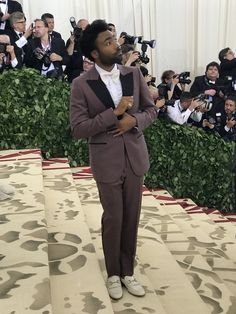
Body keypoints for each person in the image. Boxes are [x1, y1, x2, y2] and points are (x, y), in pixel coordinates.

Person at [70, 19, 158, 300]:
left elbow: (150, 111)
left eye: (114, 39)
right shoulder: (81, 85)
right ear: (94, 54)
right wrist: (114, 113)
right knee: (114, 217)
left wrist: (134, 120)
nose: (115, 44)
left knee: (131, 217)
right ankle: (112, 274)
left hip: (134, 157)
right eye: (108, 42)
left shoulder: (133, 73)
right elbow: (78, 128)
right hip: (106, 160)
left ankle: (128, 272)